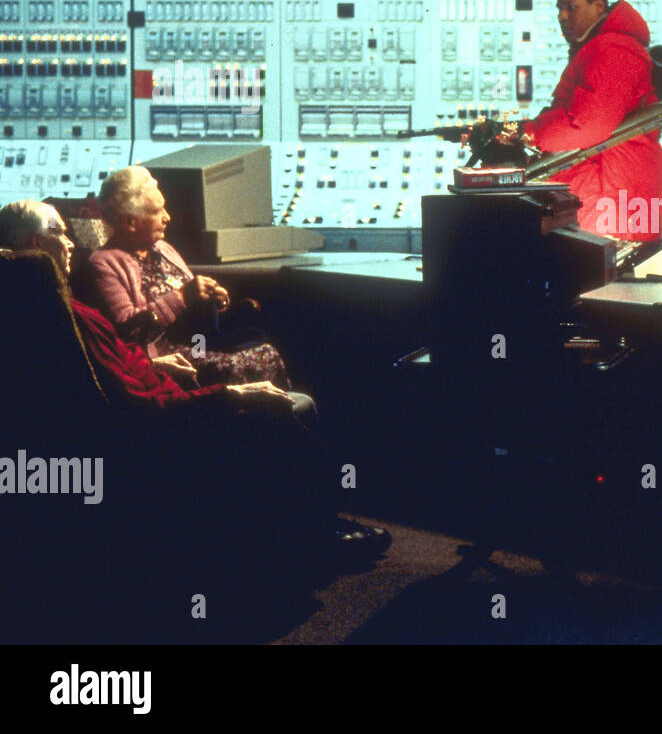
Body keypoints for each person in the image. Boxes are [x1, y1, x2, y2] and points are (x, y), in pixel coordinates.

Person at [0, 198, 390, 565]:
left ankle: (300, 524)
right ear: (37, 244)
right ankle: (315, 534)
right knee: (291, 404)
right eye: (61, 233)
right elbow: (134, 402)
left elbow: (119, 360)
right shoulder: (73, 312)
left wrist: (163, 363)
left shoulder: (53, 308)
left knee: (266, 373)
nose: (71, 243)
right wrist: (229, 393)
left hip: (165, 387)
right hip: (165, 420)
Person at [86, 165, 291, 388]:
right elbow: (127, 329)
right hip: (163, 356)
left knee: (266, 351)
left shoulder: (163, 248)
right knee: (232, 366)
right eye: (157, 211)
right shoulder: (103, 263)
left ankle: (277, 417)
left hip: (198, 344)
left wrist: (214, 299)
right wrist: (182, 296)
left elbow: (196, 308)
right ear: (130, 222)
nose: (168, 217)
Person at [518, 0, 662, 241]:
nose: (562, 16)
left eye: (571, 7)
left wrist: (528, 134)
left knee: (601, 277)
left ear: (598, 6)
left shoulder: (613, 49)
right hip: (609, 187)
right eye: (559, 8)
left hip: (609, 191)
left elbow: (588, 124)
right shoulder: (603, 46)